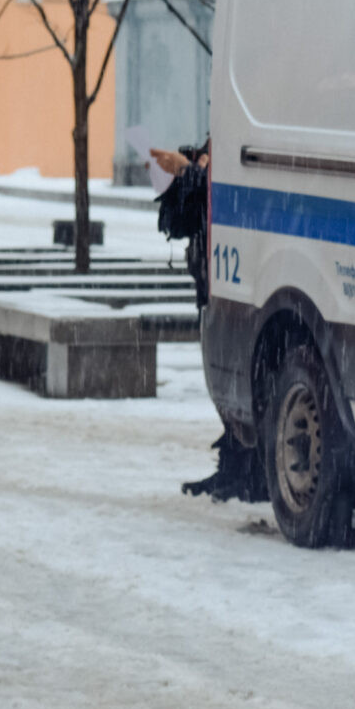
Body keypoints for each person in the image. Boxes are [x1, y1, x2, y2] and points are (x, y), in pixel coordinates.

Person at [157, 141, 263, 502]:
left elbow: (229, 189)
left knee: (239, 372)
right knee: (226, 376)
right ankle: (233, 467)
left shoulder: (244, 126)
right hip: (212, 273)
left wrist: (188, 171)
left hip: (234, 275)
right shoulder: (219, 131)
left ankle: (249, 472)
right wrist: (186, 164)